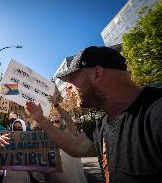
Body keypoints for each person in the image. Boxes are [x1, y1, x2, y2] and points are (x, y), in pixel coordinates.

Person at [26, 46, 162, 183]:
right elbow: (77, 147)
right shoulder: (102, 123)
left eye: (72, 78)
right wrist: (39, 118)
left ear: (96, 73)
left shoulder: (156, 113)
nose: (68, 88)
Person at [45, 88, 88, 183]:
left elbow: (68, 120)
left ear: (61, 122)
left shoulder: (69, 134)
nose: (54, 123)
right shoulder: (48, 140)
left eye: (57, 121)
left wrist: (56, 105)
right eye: (52, 122)